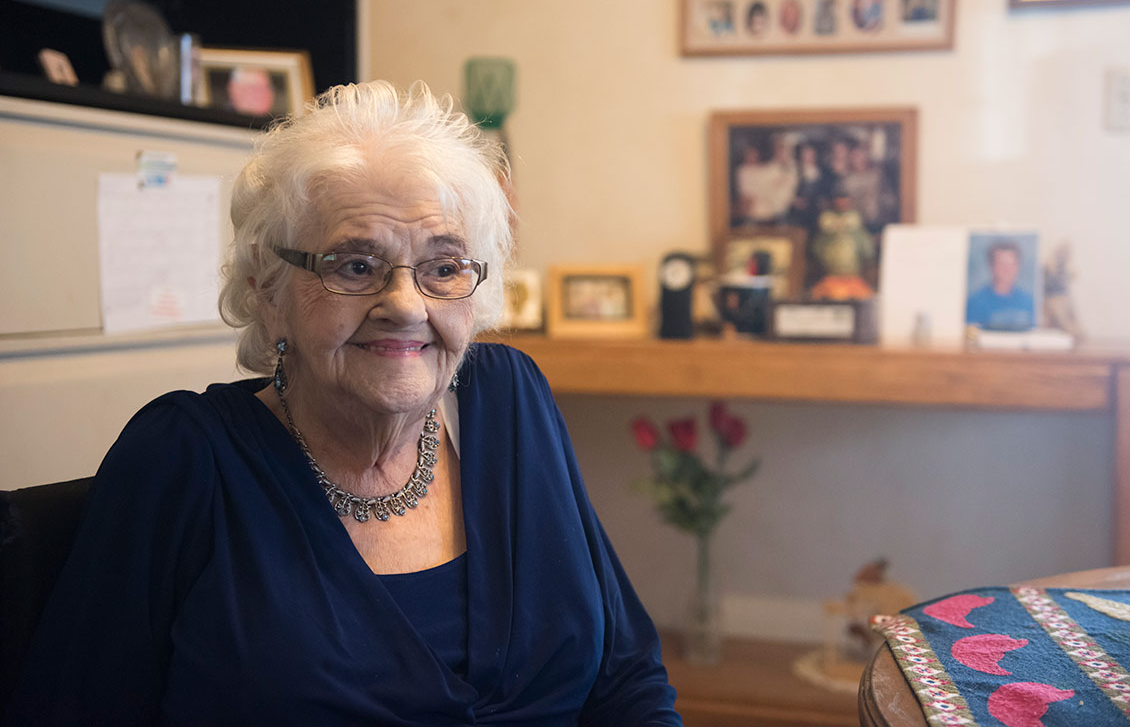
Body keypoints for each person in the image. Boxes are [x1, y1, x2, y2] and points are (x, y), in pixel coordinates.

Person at [6, 81, 681, 726]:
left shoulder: (511, 403)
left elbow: (624, 676)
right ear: (266, 289)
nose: (406, 305)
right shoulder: (183, 461)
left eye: (443, 266)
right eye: (354, 265)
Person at [966, 240, 1036, 331]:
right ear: (991, 266)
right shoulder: (976, 302)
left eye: (1012, 264)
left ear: (1018, 267)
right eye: (1002, 264)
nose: (1007, 270)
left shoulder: (1029, 301)